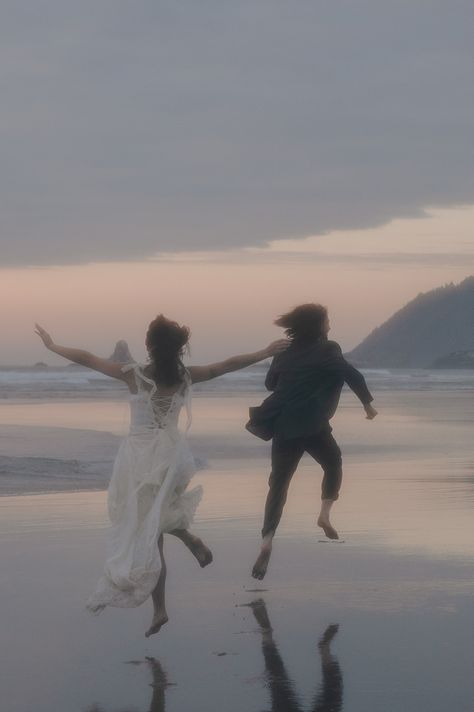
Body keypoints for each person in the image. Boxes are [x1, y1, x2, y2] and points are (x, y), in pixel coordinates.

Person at [35, 317, 286, 636]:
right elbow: (225, 365)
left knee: (150, 531)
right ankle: (185, 547)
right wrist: (263, 352)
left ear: (149, 346)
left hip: (139, 458)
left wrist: (52, 345)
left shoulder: (133, 375)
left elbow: (86, 358)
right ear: (179, 348)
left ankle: (162, 605)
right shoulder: (185, 377)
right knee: (154, 522)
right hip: (171, 455)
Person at [246, 304, 377, 580]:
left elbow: (271, 385)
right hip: (314, 425)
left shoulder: (283, 352)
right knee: (333, 462)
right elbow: (352, 375)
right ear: (318, 325)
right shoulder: (329, 349)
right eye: (327, 320)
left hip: (283, 425)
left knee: (278, 484)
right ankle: (324, 514)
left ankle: (267, 539)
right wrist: (368, 406)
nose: (330, 323)